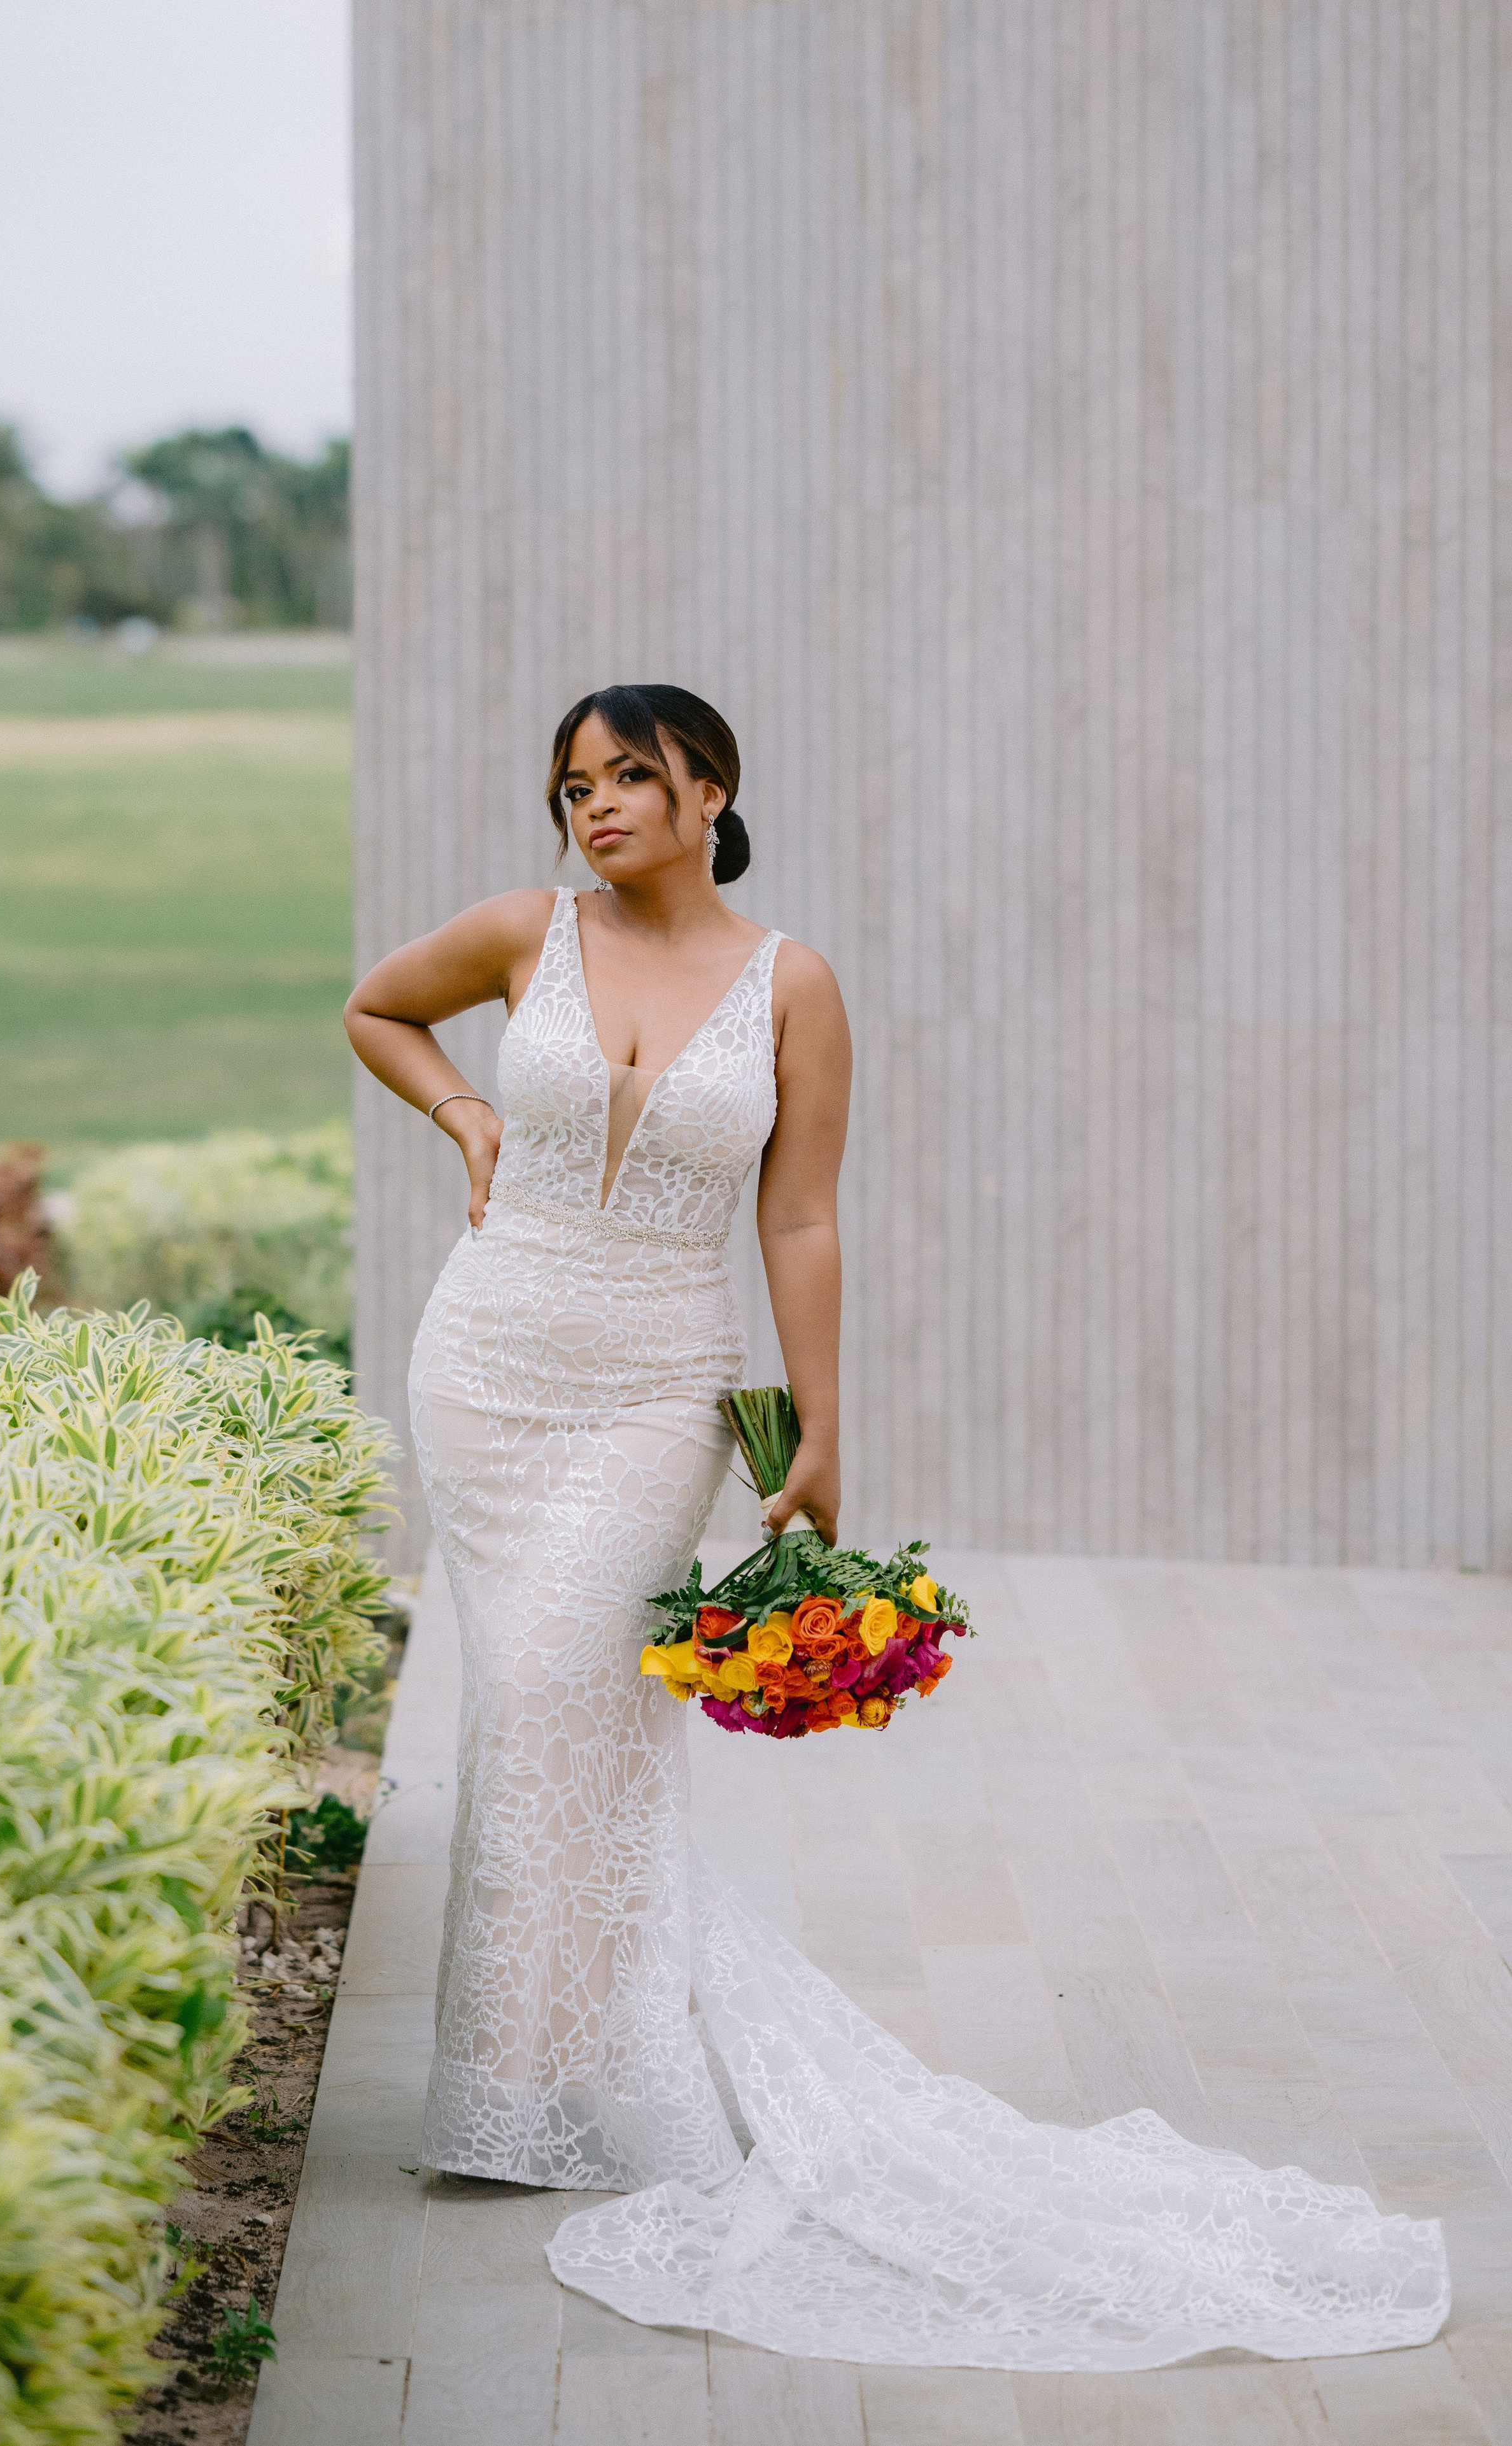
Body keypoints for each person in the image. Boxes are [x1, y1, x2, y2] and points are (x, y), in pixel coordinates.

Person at [344, 683, 1448, 2369]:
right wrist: (469, 1112)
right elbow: (374, 1009)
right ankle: (531, 2080)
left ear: (709, 788)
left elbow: (797, 1210)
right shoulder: (523, 933)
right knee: (533, 1706)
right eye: (574, 785)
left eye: (631, 777)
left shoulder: (791, 982)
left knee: (578, 1678)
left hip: (659, 1388)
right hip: (489, 1364)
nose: (597, 808)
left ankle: (584, 2069)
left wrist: (823, 1425)